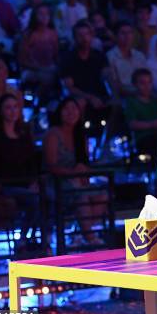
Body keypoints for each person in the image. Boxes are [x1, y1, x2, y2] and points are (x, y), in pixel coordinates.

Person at [43, 98, 107, 245]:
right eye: (66, 109)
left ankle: (83, 230)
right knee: (80, 196)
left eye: (74, 109)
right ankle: (90, 237)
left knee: (102, 194)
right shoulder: (53, 134)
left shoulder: (80, 135)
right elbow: (51, 166)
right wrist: (72, 173)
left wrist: (83, 172)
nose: (71, 112)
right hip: (56, 181)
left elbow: (84, 163)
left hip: (77, 180)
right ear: (60, 112)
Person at [0, 94, 40, 252]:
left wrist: (34, 181)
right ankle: (21, 240)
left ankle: (37, 241)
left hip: (25, 183)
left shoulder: (24, 134)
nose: (13, 111)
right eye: (8, 107)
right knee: (31, 200)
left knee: (45, 196)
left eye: (15, 107)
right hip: (5, 185)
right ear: (0, 111)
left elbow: (32, 161)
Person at [123, 68, 157, 161]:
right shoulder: (131, 102)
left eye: (149, 82)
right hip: (142, 139)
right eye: (142, 83)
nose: (147, 86)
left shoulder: (156, 102)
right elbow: (132, 124)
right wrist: (152, 124)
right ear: (135, 84)